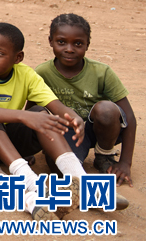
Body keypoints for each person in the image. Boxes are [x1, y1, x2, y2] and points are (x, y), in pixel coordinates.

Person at [0, 22, 89, 221]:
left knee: (42, 112)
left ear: (17, 58)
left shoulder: (27, 75)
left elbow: (57, 106)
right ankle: (30, 181)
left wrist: (73, 117)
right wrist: (23, 115)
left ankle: (80, 179)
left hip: (10, 142)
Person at [37, 14, 135, 187]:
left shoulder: (101, 72)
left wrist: (125, 162)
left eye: (78, 43)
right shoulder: (42, 73)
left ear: (87, 44)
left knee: (106, 109)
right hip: (67, 132)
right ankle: (76, 163)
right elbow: (34, 112)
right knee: (60, 171)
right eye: (61, 42)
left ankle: (104, 155)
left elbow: (129, 118)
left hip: (99, 129)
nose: (69, 49)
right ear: (50, 41)